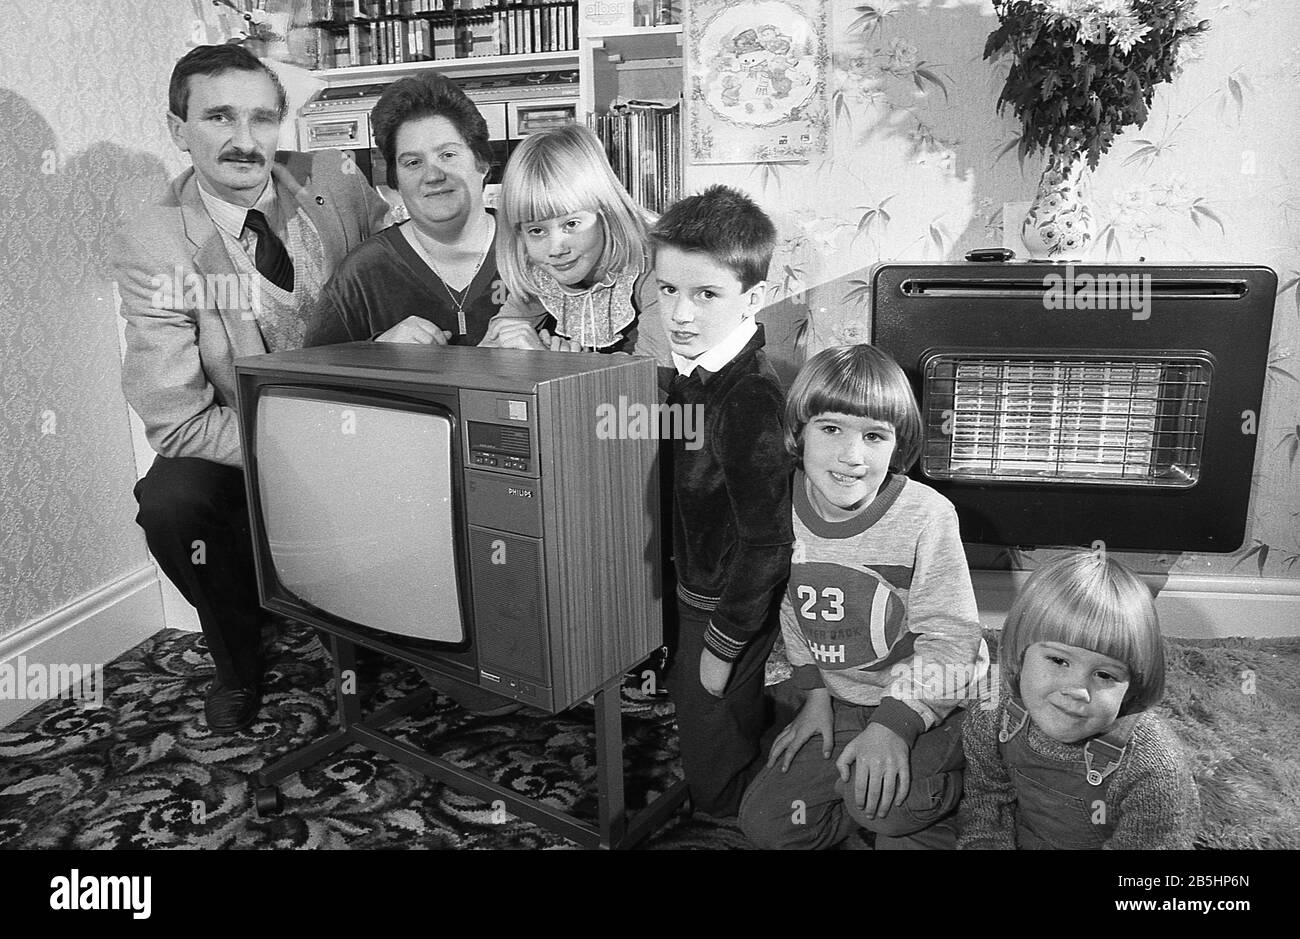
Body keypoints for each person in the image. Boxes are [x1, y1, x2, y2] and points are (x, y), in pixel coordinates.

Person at [110, 44, 390, 734]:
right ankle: (236, 654)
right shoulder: (156, 242)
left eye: (263, 118)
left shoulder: (334, 180)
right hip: (243, 443)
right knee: (171, 502)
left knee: (375, 659)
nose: (245, 140)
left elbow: (402, 261)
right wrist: (295, 450)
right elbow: (175, 422)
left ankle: (360, 626)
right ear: (178, 128)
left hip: (363, 427)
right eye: (218, 117)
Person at [738, 344, 988, 849]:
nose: (851, 456)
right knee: (764, 825)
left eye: (874, 436)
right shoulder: (779, 504)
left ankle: (965, 774)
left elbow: (952, 637)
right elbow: (792, 608)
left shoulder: (927, 515)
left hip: (933, 697)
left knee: (889, 814)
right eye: (831, 429)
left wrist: (895, 725)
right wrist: (813, 698)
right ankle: (863, 795)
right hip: (842, 695)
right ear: (798, 433)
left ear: (897, 447)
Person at [649, 185, 793, 817]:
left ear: (752, 298)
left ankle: (737, 817)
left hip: (726, 607)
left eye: (706, 294)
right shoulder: (691, 375)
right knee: (707, 718)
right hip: (692, 590)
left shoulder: (749, 399)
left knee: (712, 746)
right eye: (667, 289)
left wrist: (724, 645)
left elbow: (768, 541)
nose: (680, 312)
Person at [958, 551, 1200, 849]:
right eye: (1059, 660)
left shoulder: (1153, 768)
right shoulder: (991, 706)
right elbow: (987, 802)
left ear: (1134, 686)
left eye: (1105, 675)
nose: (1077, 690)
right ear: (1020, 652)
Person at [305, 71, 518, 349]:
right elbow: (309, 380)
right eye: (413, 163)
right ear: (395, 180)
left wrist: (545, 359)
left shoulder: (535, 247)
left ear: (482, 162)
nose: (433, 176)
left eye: (448, 155)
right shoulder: (362, 273)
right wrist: (377, 352)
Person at [485, 122, 670, 362]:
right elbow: (492, 347)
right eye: (537, 230)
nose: (556, 249)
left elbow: (655, 382)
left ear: (605, 210)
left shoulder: (656, 264)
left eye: (571, 224)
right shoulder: (540, 271)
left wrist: (554, 366)